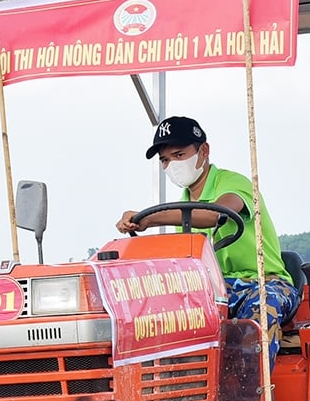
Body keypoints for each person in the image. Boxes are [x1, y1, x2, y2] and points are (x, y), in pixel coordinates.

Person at [116, 115, 299, 365]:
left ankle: (249, 388)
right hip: (215, 290)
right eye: (165, 160)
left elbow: (216, 214)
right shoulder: (183, 206)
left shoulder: (234, 184)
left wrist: (152, 217)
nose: (172, 165)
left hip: (264, 282)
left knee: (263, 306)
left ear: (204, 151)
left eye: (179, 156)